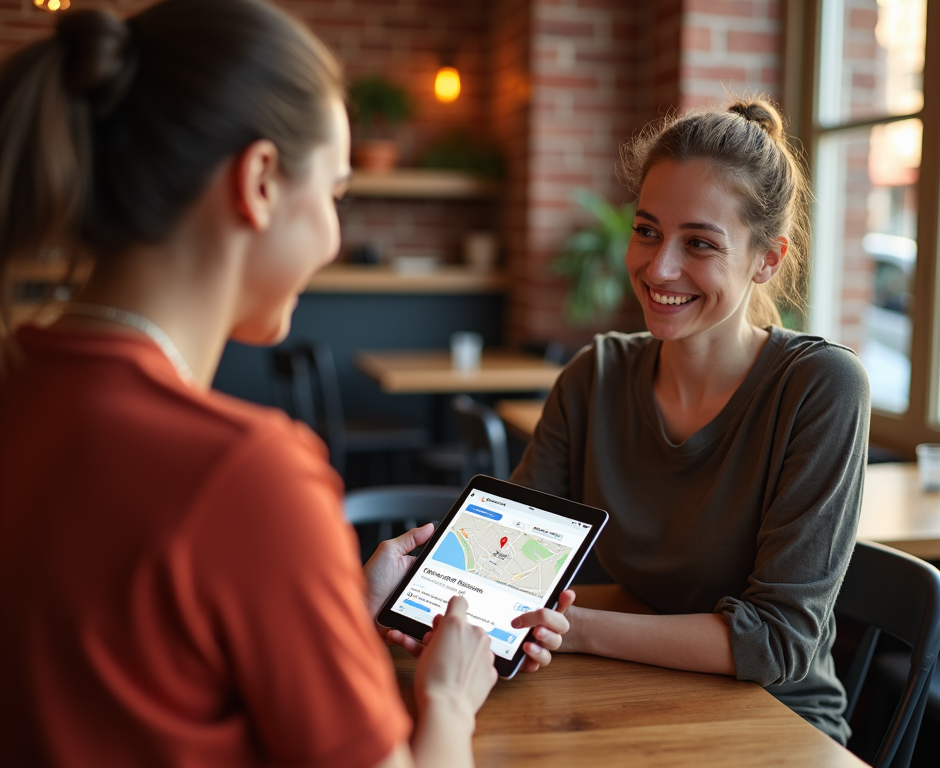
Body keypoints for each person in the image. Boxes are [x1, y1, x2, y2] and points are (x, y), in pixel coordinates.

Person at [0, 2, 572, 767]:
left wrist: (335, 612)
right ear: (261, 181)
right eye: (335, 194)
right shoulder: (243, 476)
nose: (335, 237)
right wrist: (448, 699)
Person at [511, 98, 871, 744]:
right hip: (632, 692)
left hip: (775, 725)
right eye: (647, 231)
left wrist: (577, 630)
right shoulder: (595, 376)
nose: (660, 267)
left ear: (766, 259)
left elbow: (777, 643)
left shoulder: (819, 387)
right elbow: (514, 568)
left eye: (699, 243)